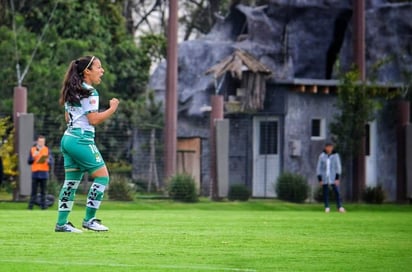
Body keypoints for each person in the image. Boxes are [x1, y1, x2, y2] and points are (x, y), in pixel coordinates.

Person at [55, 55, 119, 233]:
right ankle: (89, 220)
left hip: (68, 138)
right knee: (102, 177)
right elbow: (93, 119)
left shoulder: (72, 89)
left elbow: (67, 116)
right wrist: (112, 108)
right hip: (81, 139)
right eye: (99, 67)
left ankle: (62, 223)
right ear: (87, 71)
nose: (102, 71)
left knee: (71, 182)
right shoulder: (90, 92)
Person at [316, 142, 345, 213]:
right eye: (328, 147)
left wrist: (337, 178)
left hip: (333, 177)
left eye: (330, 147)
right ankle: (327, 207)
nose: (329, 148)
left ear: (332, 148)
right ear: (325, 148)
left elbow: (338, 167)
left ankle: (340, 207)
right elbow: (318, 168)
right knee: (325, 192)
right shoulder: (322, 156)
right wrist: (320, 179)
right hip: (325, 177)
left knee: (336, 192)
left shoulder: (336, 156)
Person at [28, 135, 53, 210]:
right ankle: (30, 207)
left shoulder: (47, 150)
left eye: (42, 141)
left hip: (44, 173)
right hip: (35, 173)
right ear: (37, 142)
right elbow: (29, 161)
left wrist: (48, 161)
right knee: (33, 191)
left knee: (43, 191)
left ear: (44, 142)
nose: (41, 143)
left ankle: (43, 206)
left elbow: (51, 161)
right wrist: (33, 156)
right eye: (40, 141)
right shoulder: (33, 149)